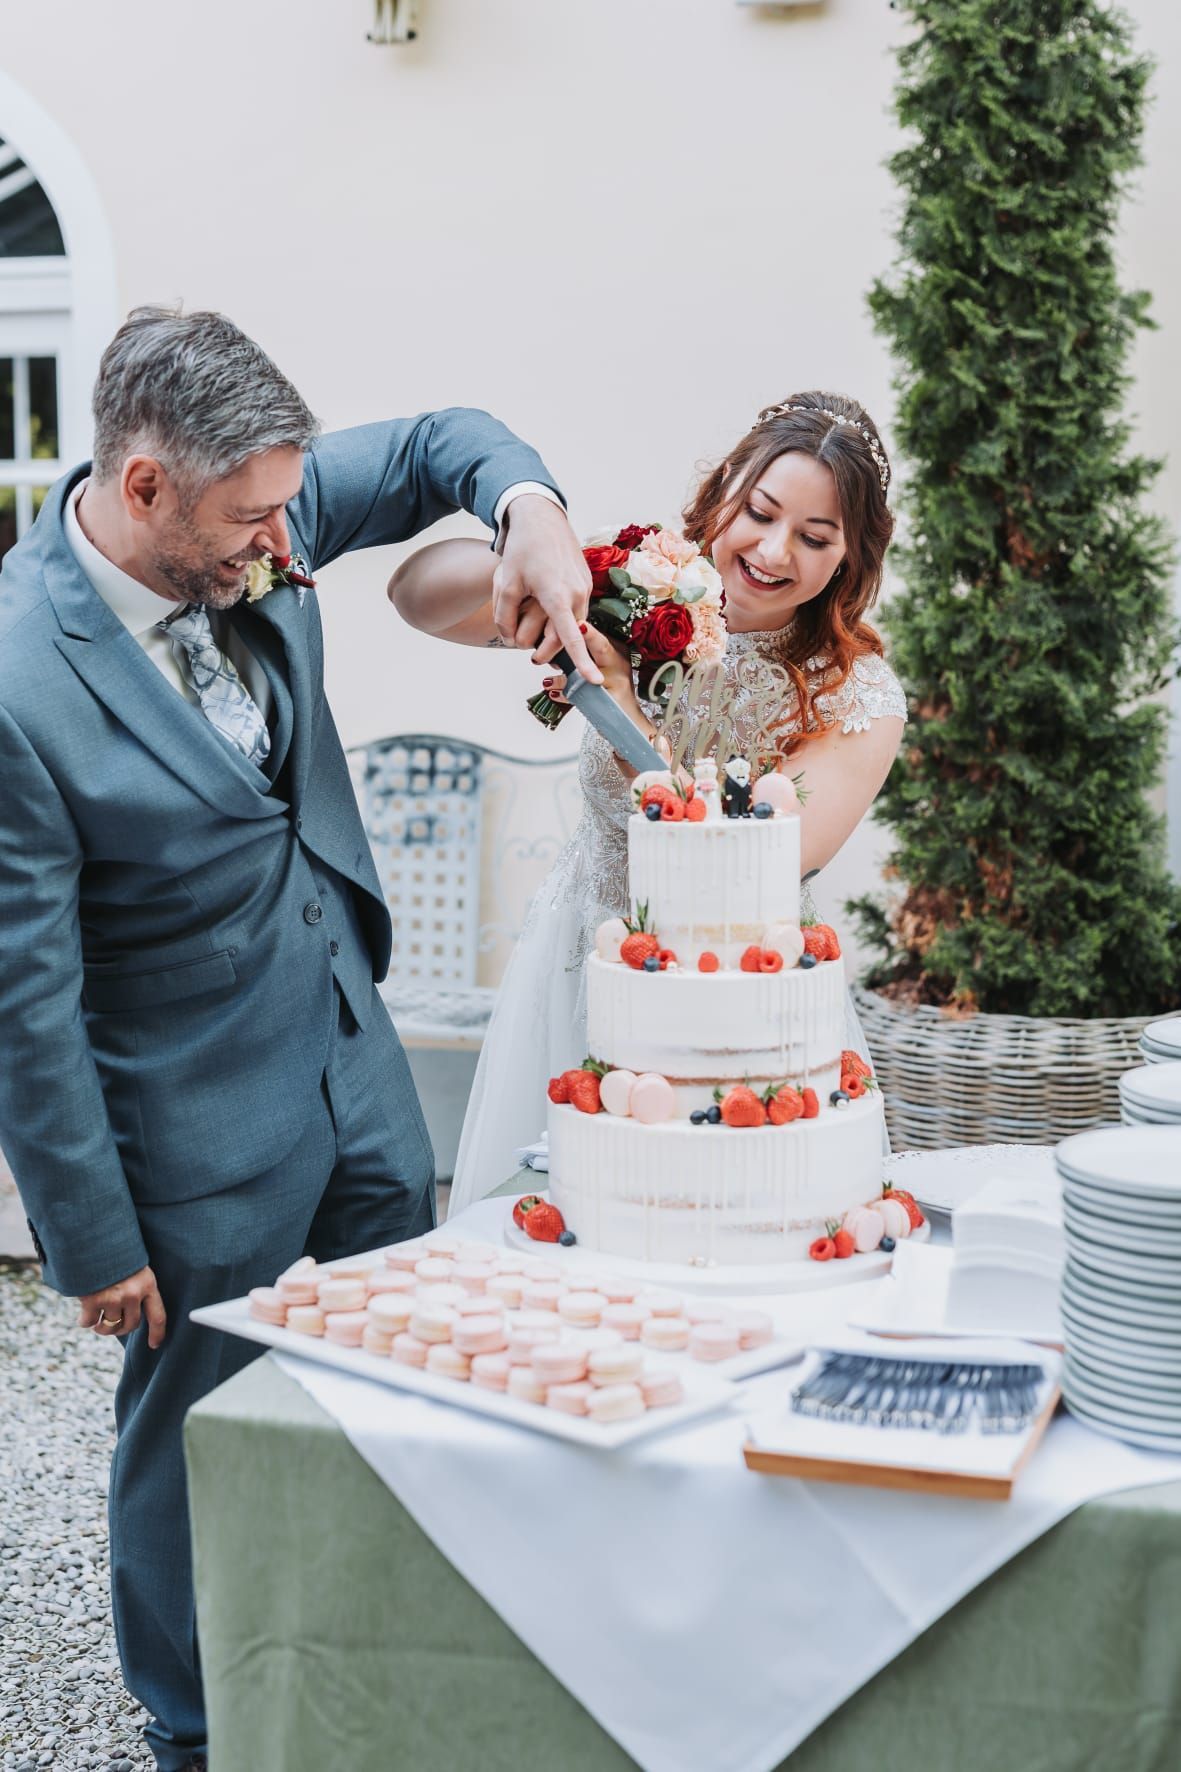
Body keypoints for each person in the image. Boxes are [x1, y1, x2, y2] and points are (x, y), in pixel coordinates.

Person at [0, 304, 595, 1772]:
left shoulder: (258, 494)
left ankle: (364, 1666)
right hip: (188, 1128)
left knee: (389, 1371)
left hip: (354, 1059)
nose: (283, 543)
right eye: (251, 521)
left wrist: (534, 517)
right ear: (145, 489)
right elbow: (22, 995)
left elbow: (455, 442)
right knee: (197, 1426)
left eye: (288, 509)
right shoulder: (17, 684)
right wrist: (90, 1236)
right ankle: (196, 1727)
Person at [390, 392, 908, 1212]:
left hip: (739, 1004)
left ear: (851, 557)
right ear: (726, 489)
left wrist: (622, 705)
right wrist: (550, 549)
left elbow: (758, 862)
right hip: (579, 960)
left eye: (815, 538)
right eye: (761, 513)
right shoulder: (631, 600)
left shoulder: (858, 696)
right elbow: (414, 596)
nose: (774, 552)